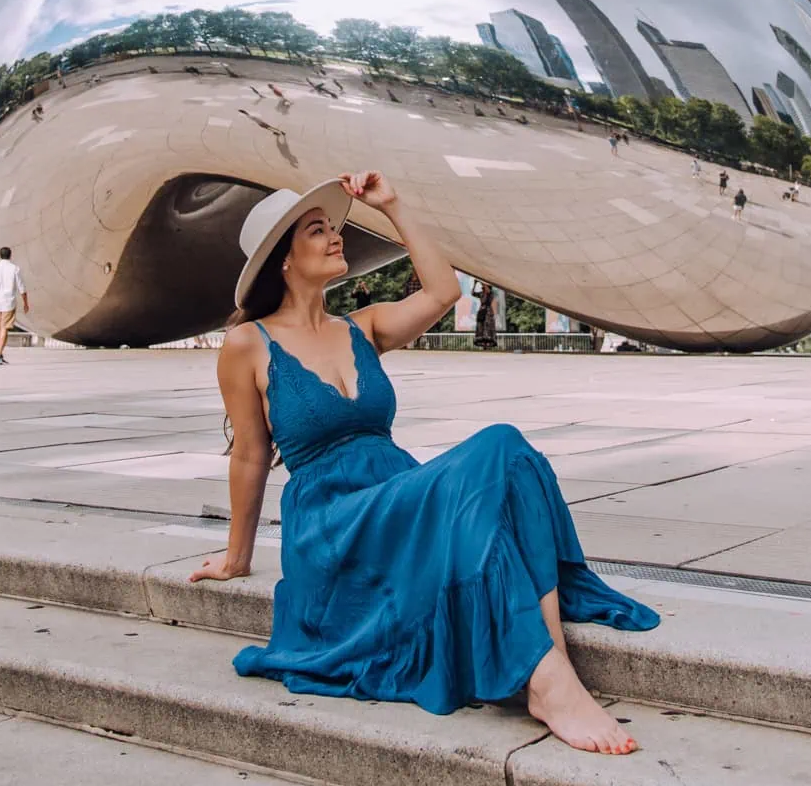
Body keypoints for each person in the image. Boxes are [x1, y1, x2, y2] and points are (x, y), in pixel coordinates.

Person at [188, 170, 658, 755]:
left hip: (397, 492)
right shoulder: (247, 346)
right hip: (334, 523)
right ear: (282, 260)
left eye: (333, 227)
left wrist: (393, 206)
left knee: (508, 451)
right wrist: (237, 558)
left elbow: (443, 292)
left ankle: (550, 664)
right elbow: (252, 457)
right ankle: (548, 677)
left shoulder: (362, 327)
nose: (337, 237)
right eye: (317, 230)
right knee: (494, 450)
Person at [0, 247, 29, 365]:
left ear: (0, 255)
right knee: (4, 328)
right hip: (8, 302)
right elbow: (22, 288)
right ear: (10, 255)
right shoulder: (14, 269)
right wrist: (26, 303)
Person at [472, 281, 498, 350]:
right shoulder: (481, 294)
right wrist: (475, 284)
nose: (483, 288)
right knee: (481, 326)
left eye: (483, 288)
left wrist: (481, 281)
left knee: (488, 326)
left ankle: (487, 343)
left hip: (488, 311)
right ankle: (483, 343)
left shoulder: (490, 293)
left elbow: (488, 289)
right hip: (482, 310)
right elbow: (472, 293)